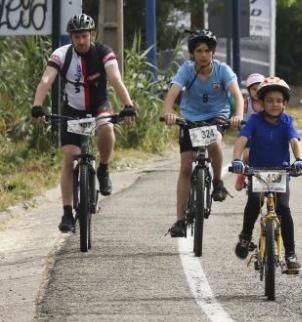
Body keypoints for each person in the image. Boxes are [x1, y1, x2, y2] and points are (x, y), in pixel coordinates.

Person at [31, 13, 136, 232]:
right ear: (71, 37)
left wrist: (128, 106)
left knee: (106, 128)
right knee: (69, 158)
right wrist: (38, 106)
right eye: (76, 36)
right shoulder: (61, 54)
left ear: (92, 35)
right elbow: (46, 80)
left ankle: (104, 169)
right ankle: (67, 213)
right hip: (71, 110)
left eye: (84, 36)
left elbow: (116, 79)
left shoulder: (103, 53)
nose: (81, 41)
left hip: (98, 106)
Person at [161, 30, 244, 238]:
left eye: (208, 50)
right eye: (199, 51)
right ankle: (180, 220)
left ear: (213, 52)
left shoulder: (223, 70)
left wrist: (238, 115)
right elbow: (172, 93)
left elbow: (237, 94)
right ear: (193, 54)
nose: (204, 54)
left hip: (216, 117)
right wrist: (169, 113)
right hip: (190, 119)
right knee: (185, 168)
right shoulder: (187, 70)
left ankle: (217, 182)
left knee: (214, 141)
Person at [230, 77, 302, 272]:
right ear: (262, 103)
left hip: (281, 171)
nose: (275, 104)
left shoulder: (287, 120)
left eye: (279, 100)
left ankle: (290, 254)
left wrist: (299, 160)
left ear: (285, 103)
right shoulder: (255, 120)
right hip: (257, 171)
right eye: (270, 100)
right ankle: (245, 237)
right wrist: (237, 160)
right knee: (254, 202)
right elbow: (242, 139)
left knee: (283, 209)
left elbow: (294, 141)